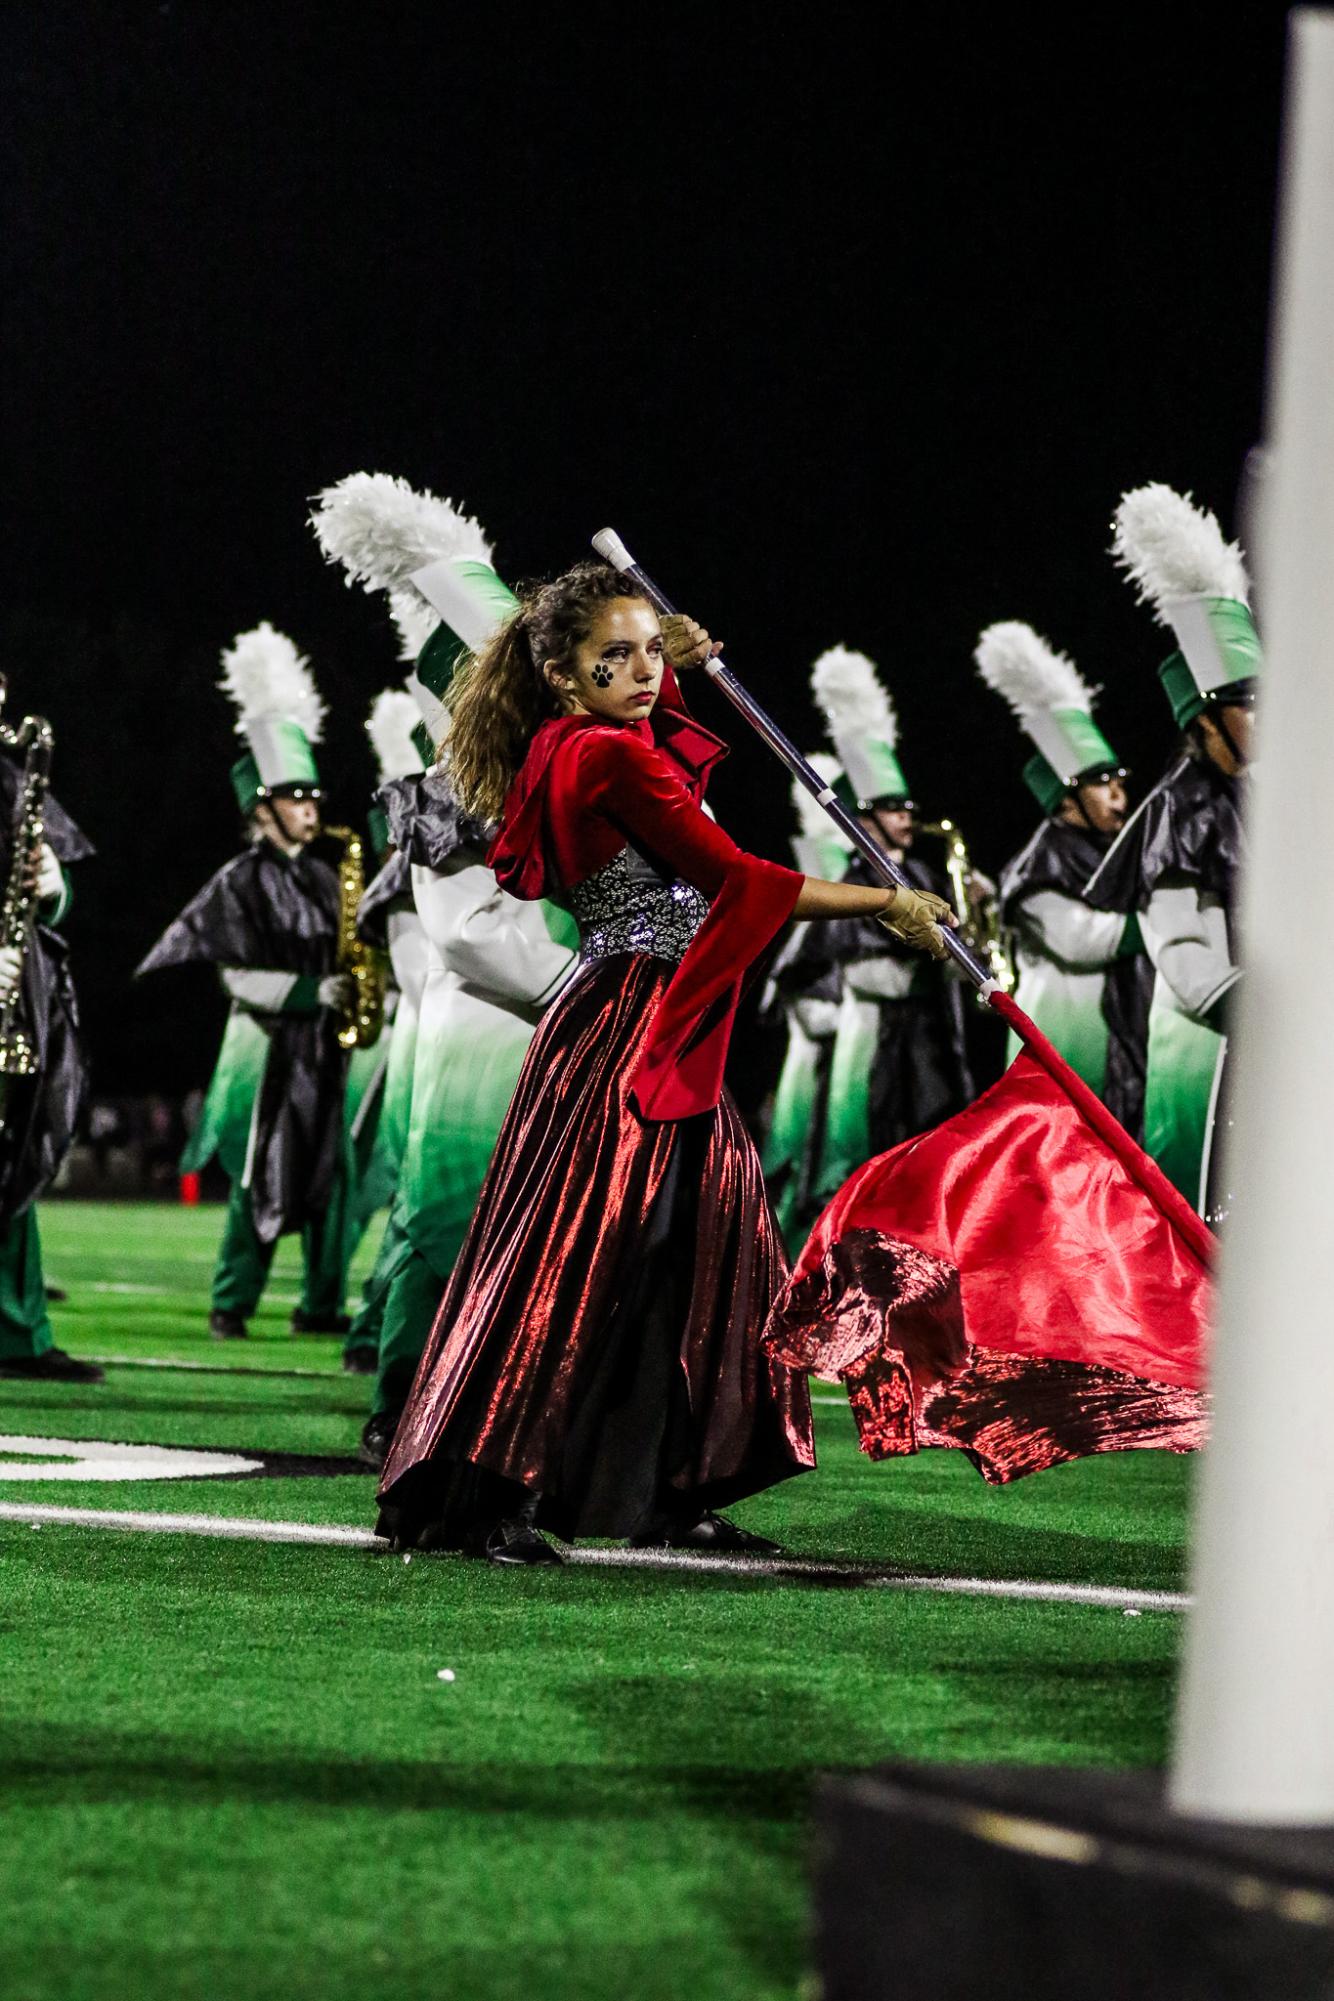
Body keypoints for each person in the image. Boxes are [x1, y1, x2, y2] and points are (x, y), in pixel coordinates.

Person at [376, 561, 953, 1564]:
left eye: (649, 649)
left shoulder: (572, 742)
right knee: (590, 1256)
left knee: (702, 1247)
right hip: (630, 1023)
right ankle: (484, 1494)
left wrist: (669, 672)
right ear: (562, 676)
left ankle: (667, 1488)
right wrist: (883, 904)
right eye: (616, 658)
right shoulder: (600, 756)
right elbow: (731, 874)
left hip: (636, 1016)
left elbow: (673, 769)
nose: (641, 672)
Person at [311, 476, 581, 1465]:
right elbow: (466, 930)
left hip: (570, 1018)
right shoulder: (450, 783)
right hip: (491, 1023)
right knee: (448, 1214)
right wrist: (583, 980)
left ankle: (528, 1417)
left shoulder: (573, 764)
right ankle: (405, 1404)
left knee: (555, 1230)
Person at [138, 625, 357, 1338]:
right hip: (268, 1048)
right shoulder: (242, 878)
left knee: (333, 1176)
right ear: (261, 806)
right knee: (262, 1174)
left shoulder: (327, 875)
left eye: (313, 795)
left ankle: (320, 1304)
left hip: (327, 1046)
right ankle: (230, 1301)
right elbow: (230, 974)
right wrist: (305, 993)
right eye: (295, 796)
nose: (311, 807)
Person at [1085, 485, 1254, 1221]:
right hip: (1208, 1055)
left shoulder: (1268, 793)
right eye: (1248, 703)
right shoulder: (1177, 810)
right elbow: (1187, 961)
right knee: (1202, 1220)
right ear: (1204, 719)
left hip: (1267, 1042)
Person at [785, 646, 973, 1206]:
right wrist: (945, 965)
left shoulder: (917, 869)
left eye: (908, 808)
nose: (907, 818)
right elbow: (868, 977)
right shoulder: (856, 875)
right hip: (876, 1041)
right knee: (866, 1160)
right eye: (893, 809)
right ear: (865, 818)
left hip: (926, 1038)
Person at [975, 620, 1152, 1139]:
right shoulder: (1041, 860)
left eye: (1119, 780)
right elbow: (1077, 940)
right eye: (1101, 784)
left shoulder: (1116, 847)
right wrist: (1160, 922)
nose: (1119, 794)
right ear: (1066, 796)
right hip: (1066, 1031)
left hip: (1115, 1032)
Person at [0, 702, 103, 1385]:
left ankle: (17, 1329)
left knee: (15, 1146)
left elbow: (45, 894)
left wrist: (54, 886)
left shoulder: (10, 777)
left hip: (18, 985)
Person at [760, 754, 849, 1243]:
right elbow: (810, 1009)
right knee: (802, 1176)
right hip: (812, 1077)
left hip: (843, 1071)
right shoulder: (807, 941)